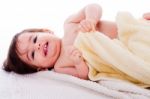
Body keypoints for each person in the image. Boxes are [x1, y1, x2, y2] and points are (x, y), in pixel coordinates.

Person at [3, 3, 149, 80]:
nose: (37, 46)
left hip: (128, 32)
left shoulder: (69, 25)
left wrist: (91, 19)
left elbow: (93, 6)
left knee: (143, 26)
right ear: (40, 69)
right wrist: (79, 62)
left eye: (34, 39)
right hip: (123, 54)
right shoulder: (61, 66)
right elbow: (83, 75)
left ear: (46, 31)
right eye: (33, 54)